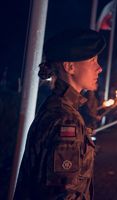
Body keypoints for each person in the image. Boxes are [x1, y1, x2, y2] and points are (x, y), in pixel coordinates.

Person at [15, 29, 105, 200]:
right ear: (70, 67)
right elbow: (64, 194)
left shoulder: (57, 107)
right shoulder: (66, 118)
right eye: (92, 60)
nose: (99, 68)